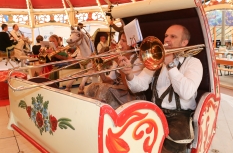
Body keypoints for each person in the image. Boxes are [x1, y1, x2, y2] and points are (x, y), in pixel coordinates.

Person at [118, 24, 203, 152]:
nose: (167, 39)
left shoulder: (193, 63)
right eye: (166, 36)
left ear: (184, 42)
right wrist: (129, 73)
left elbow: (187, 93)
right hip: (155, 112)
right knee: (128, 136)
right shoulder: (156, 61)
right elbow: (138, 86)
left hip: (180, 116)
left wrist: (171, 65)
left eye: (173, 36)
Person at [83, 32, 145, 109]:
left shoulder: (138, 60)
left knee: (104, 89)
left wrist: (121, 66)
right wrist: (99, 70)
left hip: (132, 96)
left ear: (132, 45)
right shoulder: (119, 57)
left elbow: (130, 88)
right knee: (92, 87)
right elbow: (107, 81)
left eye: (124, 41)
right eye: (120, 40)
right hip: (118, 91)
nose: (120, 43)